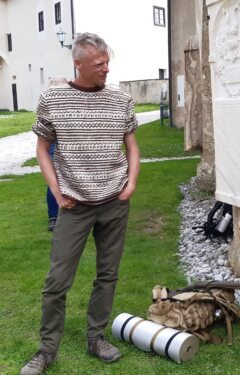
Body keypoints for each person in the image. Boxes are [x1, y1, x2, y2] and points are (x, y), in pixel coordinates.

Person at [21, 33, 140, 375]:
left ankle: (96, 337)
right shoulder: (53, 99)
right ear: (79, 63)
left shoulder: (121, 100)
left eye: (107, 62)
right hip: (73, 205)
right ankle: (46, 352)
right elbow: (43, 149)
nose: (106, 68)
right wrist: (57, 194)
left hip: (114, 201)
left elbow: (131, 146)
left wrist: (130, 184)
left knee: (108, 274)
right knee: (57, 280)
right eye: (99, 63)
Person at [45, 76, 68, 232]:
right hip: (54, 145)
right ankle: (53, 217)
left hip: (70, 146)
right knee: (53, 180)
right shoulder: (48, 106)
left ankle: (73, 213)